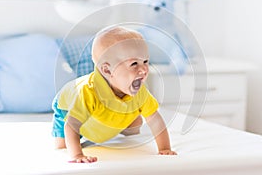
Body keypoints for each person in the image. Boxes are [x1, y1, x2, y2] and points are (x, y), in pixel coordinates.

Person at [52, 26, 177, 163]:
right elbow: (71, 125)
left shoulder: (139, 91)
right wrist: (77, 156)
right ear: (107, 70)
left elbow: (155, 120)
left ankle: (124, 126)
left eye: (145, 61)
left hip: (106, 115)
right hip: (66, 110)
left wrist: (164, 148)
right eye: (134, 63)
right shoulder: (87, 92)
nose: (143, 69)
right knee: (63, 146)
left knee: (135, 120)